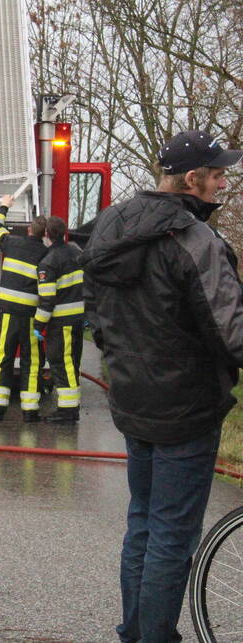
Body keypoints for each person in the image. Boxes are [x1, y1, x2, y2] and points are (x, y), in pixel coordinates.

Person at [81, 129, 243, 642]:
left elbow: (96, 315)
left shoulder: (109, 225)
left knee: (145, 524)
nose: (222, 184)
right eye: (217, 175)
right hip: (187, 408)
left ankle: (135, 633)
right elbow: (232, 333)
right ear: (192, 179)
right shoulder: (197, 241)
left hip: (133, 398)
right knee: (172, 534)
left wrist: (123, 363)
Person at [0, 194, 48, 422]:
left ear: (29, 230)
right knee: (31, 362)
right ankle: (30, 411)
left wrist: (5, 205)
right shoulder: (47, 255)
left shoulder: (11, 243)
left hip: (9, 313)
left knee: (3, 357)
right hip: (31, 316)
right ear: (45, 235)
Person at [33, 216, 85, 424]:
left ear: (46, 234)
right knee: (72, 362)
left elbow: (47, 300)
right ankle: (71, 407)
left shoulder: (48, 262)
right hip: (78, 318)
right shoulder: (77, 253)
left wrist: (38, 325)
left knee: (61, 364)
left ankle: (68, 411)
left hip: (61, 322)